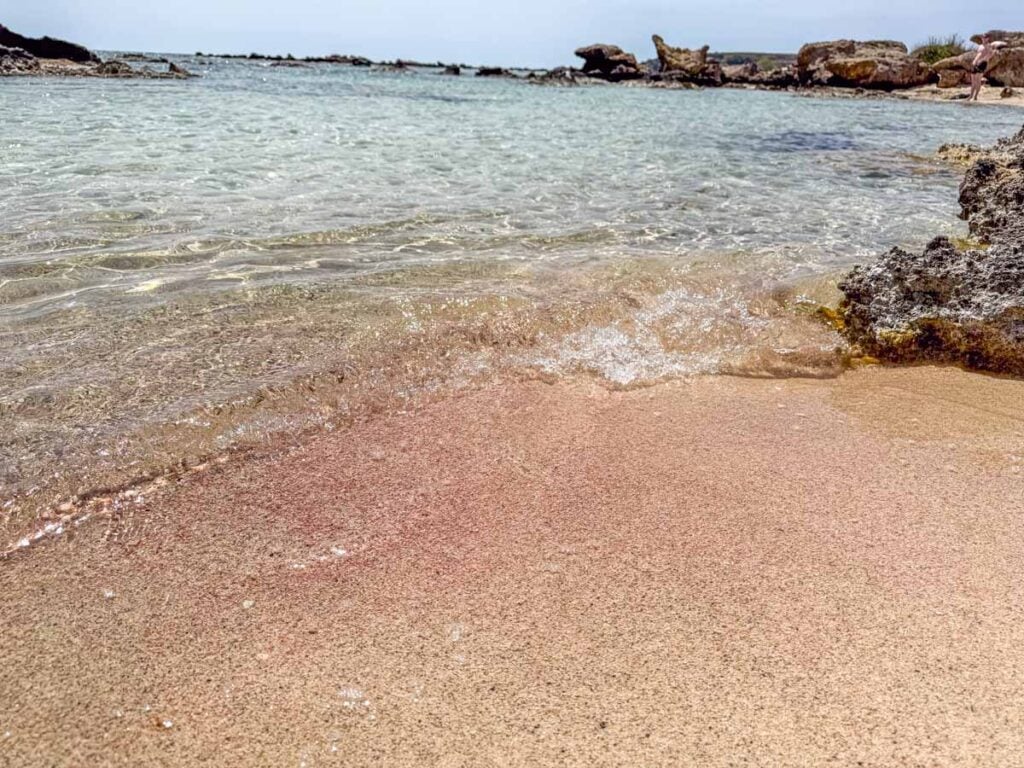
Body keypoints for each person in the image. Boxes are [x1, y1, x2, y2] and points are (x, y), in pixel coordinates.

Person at [969, 34, 1006, 102]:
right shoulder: (980, 46)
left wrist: (982, 60)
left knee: (978, 80)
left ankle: (975, 96)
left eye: (985, 37)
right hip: (975, 63)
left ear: (988, 38)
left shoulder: (988, 46)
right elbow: (978, 54)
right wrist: (975, 61)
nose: (983, 38)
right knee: (973, 80)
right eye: (982, 37)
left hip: (982, 63)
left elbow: (990, 54)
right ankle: (970, 96)